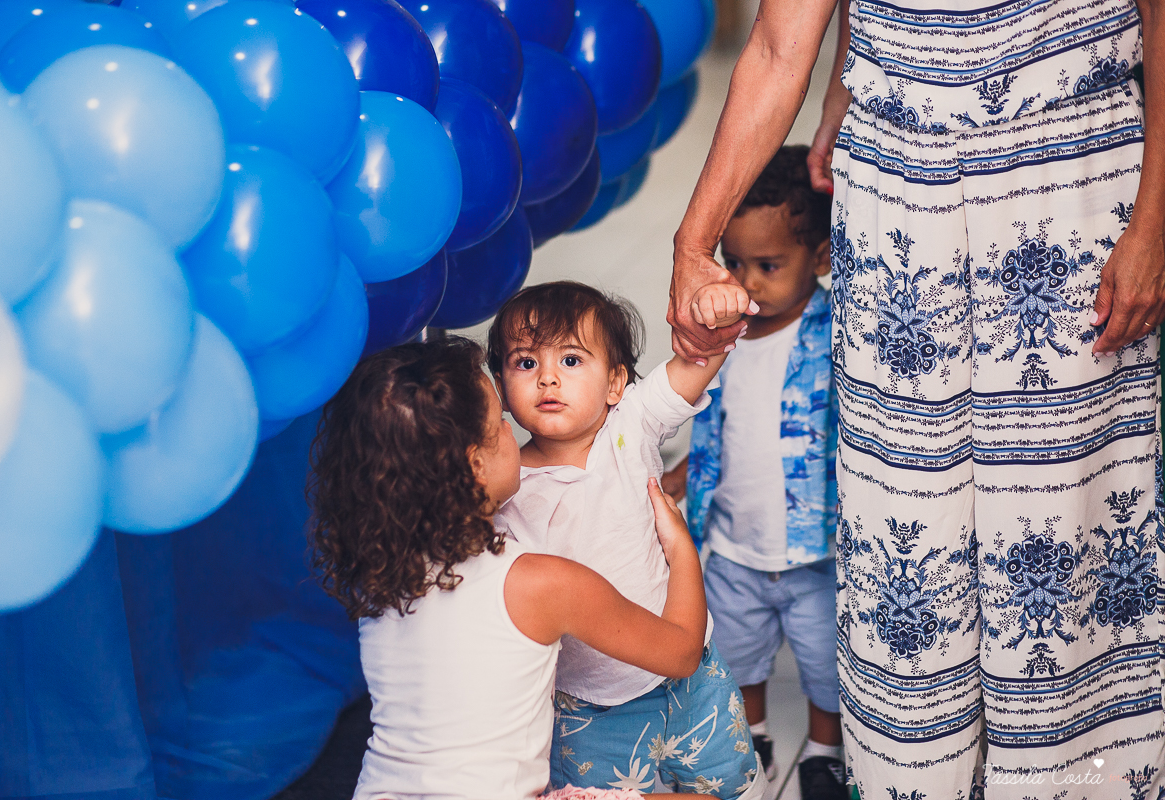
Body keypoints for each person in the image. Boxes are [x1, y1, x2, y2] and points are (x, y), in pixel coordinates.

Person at [669, 0, 1165, 793]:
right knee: (906, 521)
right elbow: (774, 44)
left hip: (1065, 160)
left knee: (1057, 519)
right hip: (898, 171)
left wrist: (1156, 218)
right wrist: (693, 243)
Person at [306, 337, 715, 800]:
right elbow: (680, 653)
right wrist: (681, 547)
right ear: (474, 464)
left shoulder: (380, 578)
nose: (511, 431)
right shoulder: (539, 582)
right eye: (499, 420)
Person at [486, 283, 764, 798]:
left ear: (616, 383)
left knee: (728, 787)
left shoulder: (630, 425)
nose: (547, 377)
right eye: (525, 363)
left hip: (692, 676)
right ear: (501, 389)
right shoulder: (506, 487)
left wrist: (715, 322)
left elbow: (694, 365)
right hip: (586, 700)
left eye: (570, 359)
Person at [662, 146, 845, 800]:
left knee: (825, 663)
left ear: (820, 259)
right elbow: (717, 423)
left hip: (815, 551)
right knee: (738, 658)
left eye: (770, 265)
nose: (749, 282)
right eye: (735, 264)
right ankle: (752, 734)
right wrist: (679, 475)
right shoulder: (726, 338)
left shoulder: (836, 336)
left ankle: (824, 748)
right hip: (734, 546)